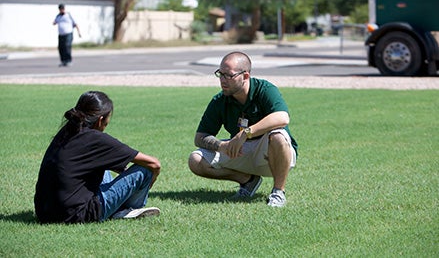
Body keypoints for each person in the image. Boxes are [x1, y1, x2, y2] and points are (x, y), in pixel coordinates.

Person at [188, 51, 298, 207]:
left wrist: (245, 134)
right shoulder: (220, 100)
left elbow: (282, 117)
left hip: (270, 151)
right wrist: (222, 146)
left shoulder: (264, 89)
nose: (222, 80)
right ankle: (248, 180)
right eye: (220, 74)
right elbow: (200, 137)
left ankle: (278, 192)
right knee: (195, 160)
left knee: (278, 135)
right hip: (241, 151)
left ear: (245, 76)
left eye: (229, 75)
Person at [34, 91, 161, 223]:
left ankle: (117, 207)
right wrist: (148, 183)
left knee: (103, 163)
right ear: (100, 120)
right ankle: (124, 209)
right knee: (145, 170)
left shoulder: (67, 130)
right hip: (77, 214)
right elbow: (154, 164)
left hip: (44, 212)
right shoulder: (97, 140)